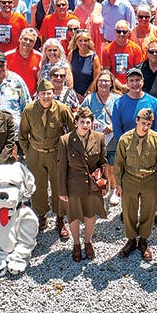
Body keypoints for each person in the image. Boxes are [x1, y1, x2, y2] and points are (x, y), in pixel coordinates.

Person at [19, 79, 76, 239]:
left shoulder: (62, 109)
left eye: (49, 93)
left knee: (59, 187)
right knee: (38, 187)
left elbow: (73, 132)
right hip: (35, 154)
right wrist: (28, 152)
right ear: (37, 94)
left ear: (53, 94)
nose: (46, 96)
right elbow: (23, 134)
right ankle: (41, 216)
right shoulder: (29, 110)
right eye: (43, 93)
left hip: (56, 153)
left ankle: (59, 219)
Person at [113, 108, 157, 262]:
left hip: (150, 178)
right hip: (130, 178)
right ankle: (131, 240)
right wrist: (118, 184)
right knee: (129, 210)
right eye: (143, 123)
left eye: (148, 124)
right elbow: (118, 163)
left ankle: (143, 240)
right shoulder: (125, 139)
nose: (145, 127)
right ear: (136, 120)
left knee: (148, 211)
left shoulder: (156, 139)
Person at [57, 107, 108, 262]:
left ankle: (88, 241)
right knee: (73, 216)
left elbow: (103, 163)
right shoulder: (65, 140)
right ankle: (76, 244)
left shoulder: (99, 137)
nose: (85, 125)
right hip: (74, 184)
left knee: (90, 214)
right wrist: (62, 190)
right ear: (76, 122)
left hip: (92, 185)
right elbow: (61, 167)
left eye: (88, 122)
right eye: (82, 122)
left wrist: (104, 184)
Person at [4, 28, 41, 95]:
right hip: (11, 97)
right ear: (20, 39)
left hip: (32, 98)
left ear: (34, 44)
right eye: (25, 39)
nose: (27, 42)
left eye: (31, 41)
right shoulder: (6, 57)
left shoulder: (40, 58)